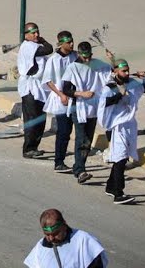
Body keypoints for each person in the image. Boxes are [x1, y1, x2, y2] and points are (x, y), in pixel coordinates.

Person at [100, 57, 145, 204]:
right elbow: (103, 104)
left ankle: (110, 186)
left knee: (123, 157)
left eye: (128, 70)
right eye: (123, 71)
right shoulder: (110, 87)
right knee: (120, 159)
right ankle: (118, 193)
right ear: (115, 71)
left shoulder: (132, 84)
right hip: (117, 127)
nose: (126, 73)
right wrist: (119, 95)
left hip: (130, 126)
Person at [59, 41, 105, 183]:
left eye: (89, 56)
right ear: (79, 54)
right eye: (84, 57)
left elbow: (111, 73)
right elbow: (66, 89)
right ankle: (80, 171)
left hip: (93, 108)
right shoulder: (72, 67)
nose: (87, 59)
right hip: (78, 107)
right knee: (81, 138)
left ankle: (79, 166)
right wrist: (81, 94)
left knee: (88, 141)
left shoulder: (96, 64)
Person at [42, 31, 80, 171]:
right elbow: (48, 80)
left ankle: (78, 164)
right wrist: (61, 94)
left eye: (72, 41)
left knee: (73, 131)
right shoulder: (54, 59)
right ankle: (59, 161)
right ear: (61, 43)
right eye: (68, 42)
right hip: (61, 100)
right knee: (63, 131)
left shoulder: (75, 56)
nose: (71, 44)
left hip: (74, 97)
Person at [23, 209, 108, 268]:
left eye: (55, 233)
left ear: (64, 225)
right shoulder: (40, 248)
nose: (51, 238)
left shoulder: (84, 240)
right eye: (47, 234)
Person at [17, 23, 52, 158]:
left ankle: (34, 146)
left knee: (40, 119)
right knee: (32, 118)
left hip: (40, 87)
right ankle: (28, 149)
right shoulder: (28, 47)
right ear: (26, 35)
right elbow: (48, 49)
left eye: (37, 32)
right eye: (33, 33)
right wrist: (43, 40)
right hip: (30, 88)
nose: (36, 35)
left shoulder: (34, 45)